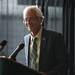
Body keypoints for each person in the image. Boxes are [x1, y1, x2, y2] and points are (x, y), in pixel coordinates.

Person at [23, 5, 66, 75]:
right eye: (26, 19)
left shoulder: (55, 37)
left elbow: (63, 64)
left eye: (31, 18)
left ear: (40, 20)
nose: (28, 22)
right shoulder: (26, 39)